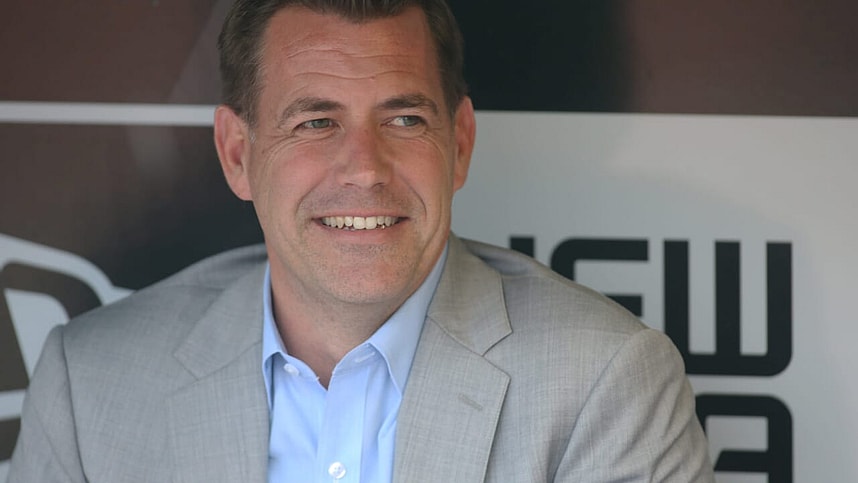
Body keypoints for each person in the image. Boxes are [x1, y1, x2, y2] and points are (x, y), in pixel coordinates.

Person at [7, 0, 714, 481]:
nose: (366, 169)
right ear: (238, 154)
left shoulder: (603, 382)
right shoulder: (91, 385)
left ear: (459, 145)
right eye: (316, 123)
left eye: (404, 120)